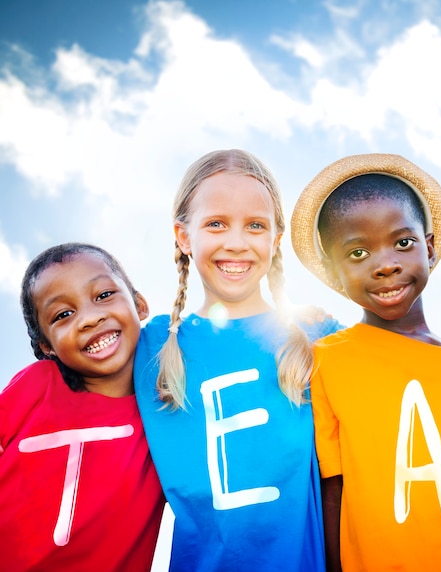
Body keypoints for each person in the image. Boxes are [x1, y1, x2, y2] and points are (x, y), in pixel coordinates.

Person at [290, 153, 441, 571]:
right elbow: (333, 490)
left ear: (429, 249)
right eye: (358, 252)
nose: (386, 265)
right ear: (333, 271)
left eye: (403, 242)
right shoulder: (328, 360)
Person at [134, 149, 341, 571]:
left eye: (255, 226)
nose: (236, 242)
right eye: (216, 224)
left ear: (275, 240)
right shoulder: (149, 347)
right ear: (183, 236)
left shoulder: (317, 341)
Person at [0, 243, 165, 571]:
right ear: (47, 345)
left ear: (140, 304)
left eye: (104, 295)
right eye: (63, 314)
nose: (90, 318)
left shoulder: (164, 410)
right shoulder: (38, 385)